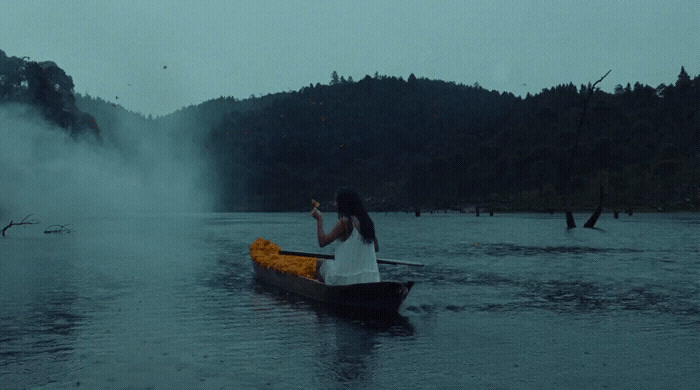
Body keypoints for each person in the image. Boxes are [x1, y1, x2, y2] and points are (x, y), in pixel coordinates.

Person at [311, 188, 380, 285]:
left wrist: (319, 219)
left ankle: (326, 294)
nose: (334, 204)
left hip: (346, 280)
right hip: (371, 279)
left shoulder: (345, 222)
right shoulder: (367, 222)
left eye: (336, 201)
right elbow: (376, 248)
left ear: (343, 203)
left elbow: (322, 242)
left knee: (320, 264)